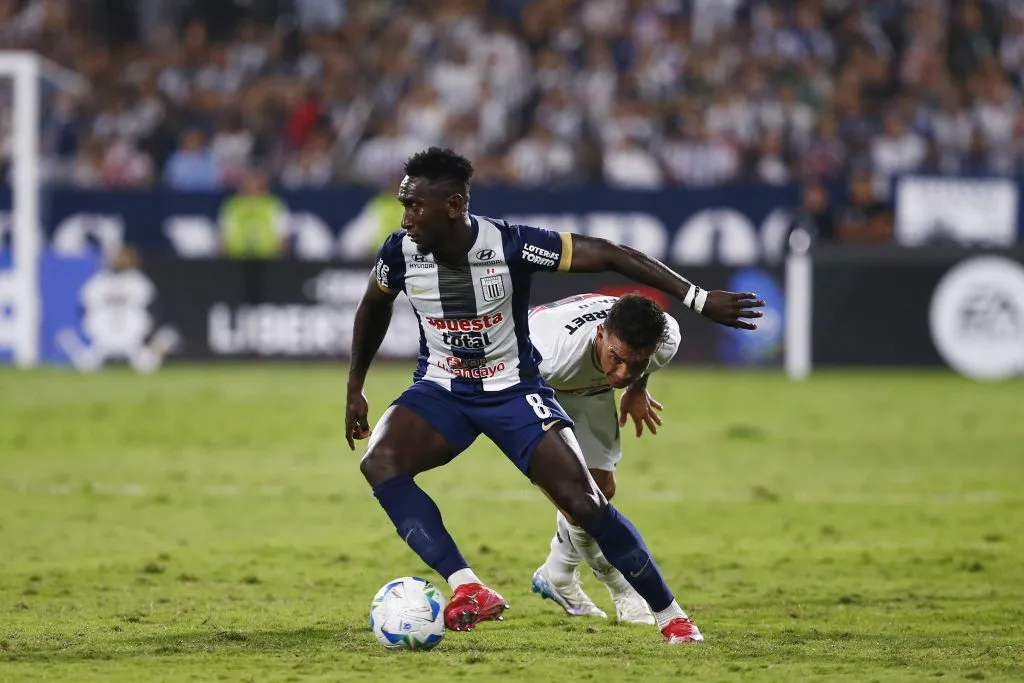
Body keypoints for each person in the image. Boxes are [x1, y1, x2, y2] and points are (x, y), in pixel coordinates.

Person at [345, 148, 764, 644]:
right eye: (404, 204)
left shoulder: (510, 244)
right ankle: (468, 587)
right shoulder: (399, 252)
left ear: (454, 206)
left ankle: (672, 616)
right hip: (441, 388)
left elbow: (610, 253)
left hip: (511, 390)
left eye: (416, 206)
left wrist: (697, 298)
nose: (407, 217)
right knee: (381, 462)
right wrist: (356, 387)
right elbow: (373, 307)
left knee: (587, 502)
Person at [527, 292, 679, 625]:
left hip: (588, 386)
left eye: (637, 363)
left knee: (601, 488)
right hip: (530, 387)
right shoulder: (549, 355)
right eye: (618, 358)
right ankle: (623, 590)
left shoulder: (666, 339)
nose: (624, 373)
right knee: (576, 496)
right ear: (600, 336)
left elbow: (633, 366)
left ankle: (558, 572)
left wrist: (637, 389)